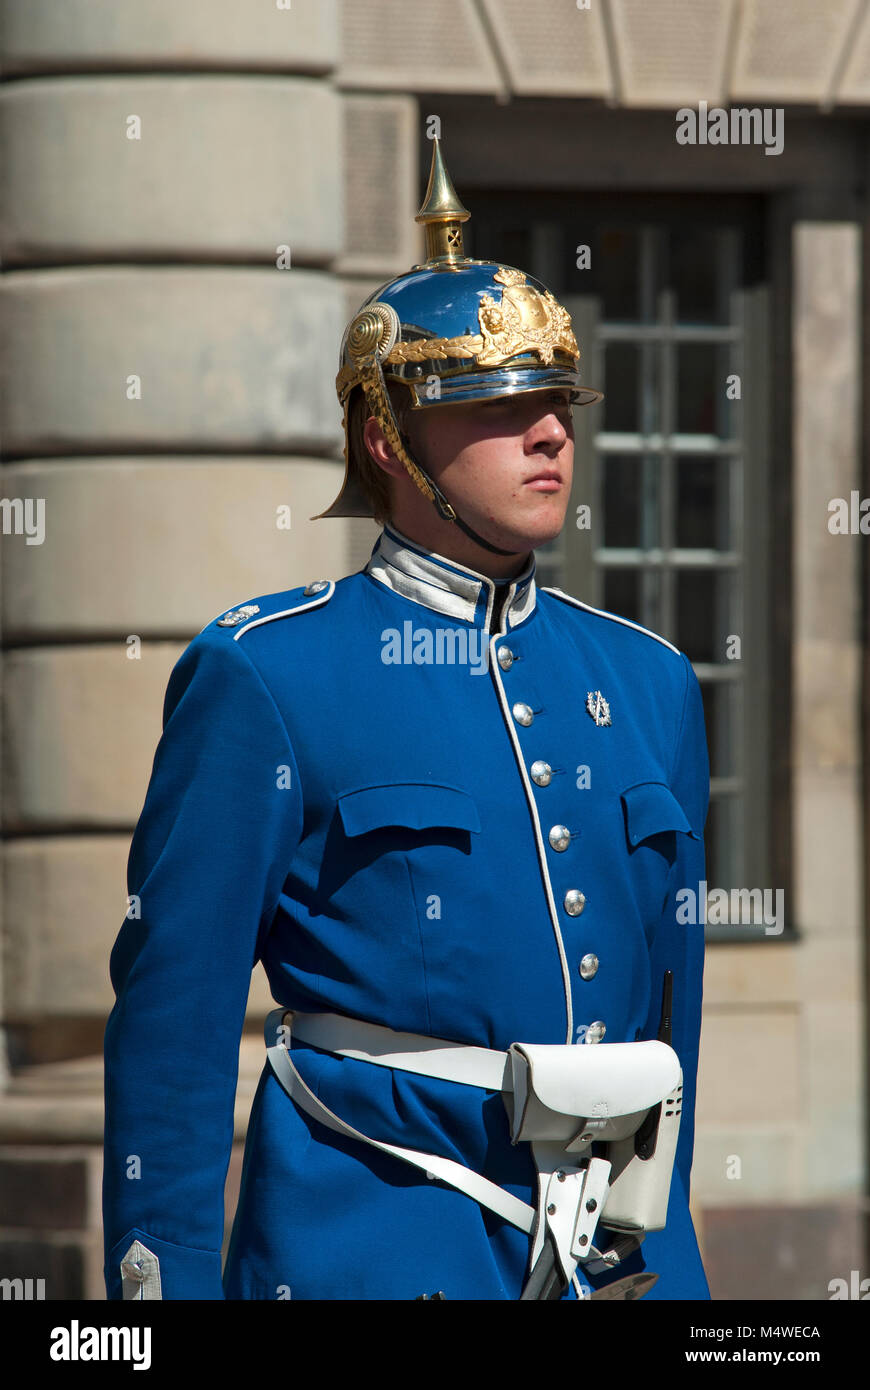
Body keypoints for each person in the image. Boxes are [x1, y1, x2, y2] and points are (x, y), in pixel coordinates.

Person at [102, 140, 710, 1301]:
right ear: (388, 441)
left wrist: (671, 1263)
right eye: (505, 405)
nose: (551, 435)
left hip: (616, 1268)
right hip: (375, 1251)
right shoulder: (268, 672)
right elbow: (172, 1034)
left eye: (558, 403)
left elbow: (674, 1030)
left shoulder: (650, 678)